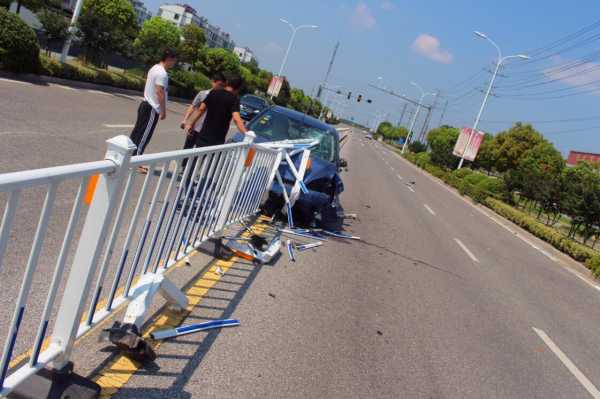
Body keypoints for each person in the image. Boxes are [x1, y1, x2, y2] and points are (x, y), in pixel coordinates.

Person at [129, 49, 178, 173]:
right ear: (168, 59)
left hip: (145, 104)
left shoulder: (154, 68)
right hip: (152, 107)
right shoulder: (162, 73)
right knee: (144, 134)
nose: (174, 64)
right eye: (174, 61)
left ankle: (129, 157)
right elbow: (159, 91)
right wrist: (163, 110)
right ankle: (136, 161)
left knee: (137, 132)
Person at [184, 75, 249, 147]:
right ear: (238, 88)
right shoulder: (234, 99)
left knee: (197, 156)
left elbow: (201, 109)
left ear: (227, 83)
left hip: (203, 136)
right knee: (211, 158)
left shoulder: (213, 92)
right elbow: (236, 119)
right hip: (216, 140)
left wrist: (190, 124)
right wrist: (247, 134)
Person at [179, 73, 226, 169]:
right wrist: (185, 120)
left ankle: (190, 171)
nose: (221, 87)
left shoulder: (222, 99)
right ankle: (183, 167)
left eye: (222, 86)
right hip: (195, 126)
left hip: (206, 131)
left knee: (199, 153)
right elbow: (193, 106)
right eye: (219, 84)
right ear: (213, 82)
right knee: (187, 148)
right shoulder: (203, 94)